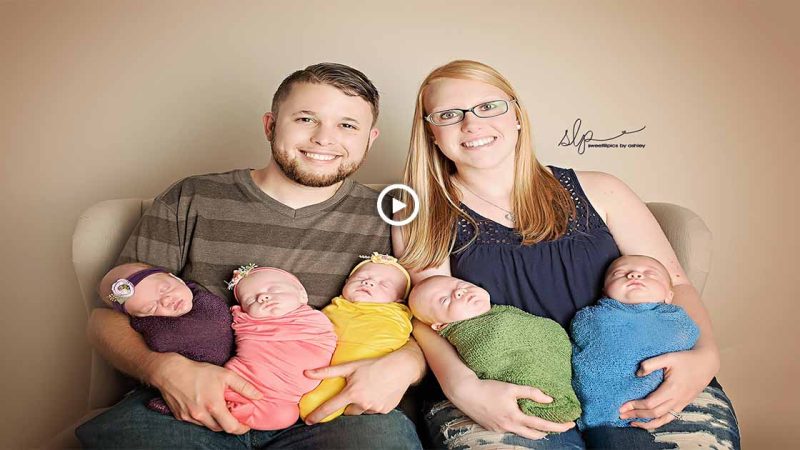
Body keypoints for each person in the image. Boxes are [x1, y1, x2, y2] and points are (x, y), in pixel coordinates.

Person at [393, 60, 739, 449]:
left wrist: (706, 357)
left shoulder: (602, 190)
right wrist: (464, 386)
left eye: (489, 106)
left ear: (518, 116)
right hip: (503, 386)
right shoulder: (419, 211)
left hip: (639, 375)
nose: (471, 124)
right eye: (449, 114)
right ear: (431, 133)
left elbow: (676, 283)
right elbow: (426, 317)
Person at [77, 63, 424, 449]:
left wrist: (405, 364)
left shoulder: (392, 213)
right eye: (306, 118)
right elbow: (104, 319)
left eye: (347, 125)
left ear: (370, 138)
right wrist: (164, 370)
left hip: (332, 410)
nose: (324, 139)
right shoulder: (192, 197)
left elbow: (431, 320)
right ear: (270, 125)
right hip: (190, 404)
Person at [408, 275, 581, 423]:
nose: (459, 292)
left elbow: (550, 333)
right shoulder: (470, 332)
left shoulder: (501, 313)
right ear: (440, 325)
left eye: (461, 285)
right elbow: (485, 352)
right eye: (445, 300)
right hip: (510, 399)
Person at [571, 255, 699, 429]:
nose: (634, 275)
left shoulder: (676, 319)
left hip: (651, 407)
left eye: (650, 274)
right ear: (605, 292)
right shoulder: (592, 317)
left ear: (669, 296)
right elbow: (579, 334)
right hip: (594, 403)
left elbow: (689, 339)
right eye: (619, 273)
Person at [98, 262, 235, 416]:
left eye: (165, 289)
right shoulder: (150, 327)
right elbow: (101, 321)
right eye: (150, 308)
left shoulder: (205, 301)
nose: (166, 300)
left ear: (176, 278)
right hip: (187, 388)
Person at [299, 252, 413, 423]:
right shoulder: (335, 307)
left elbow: (401, 339)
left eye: (384, 285)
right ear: (345, 284)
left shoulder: (396, 316)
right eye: (360, 278)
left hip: (364, 364)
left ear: (399, 300)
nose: (368, 282)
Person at [223, 264, 337, 430]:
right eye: (250, 300)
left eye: (274, 290)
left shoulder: (315, 320)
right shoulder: (248, 323)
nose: (263, 297)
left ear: (302, 295)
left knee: (285, 416)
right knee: (226, 387)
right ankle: (233, 406)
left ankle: (241, 412)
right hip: (248, 376)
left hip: (285, 397)